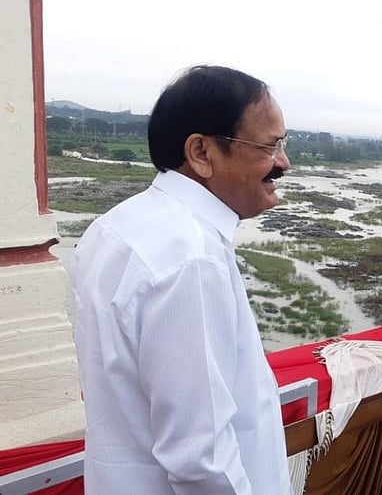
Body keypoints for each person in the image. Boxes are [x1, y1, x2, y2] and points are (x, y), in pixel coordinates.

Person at [70, 65, 293, 494]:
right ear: (202, 153)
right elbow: (202, 460)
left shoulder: (114, 227)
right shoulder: (190, 258)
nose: (283, 162)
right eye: (269, 147)